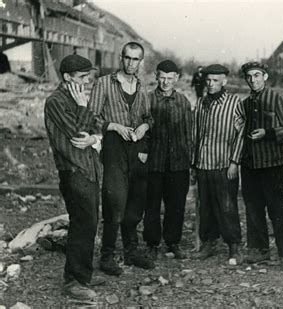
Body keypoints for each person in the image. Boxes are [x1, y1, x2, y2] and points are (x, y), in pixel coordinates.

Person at [89, 41, 155, 275]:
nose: (130, 63)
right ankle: (107, 256)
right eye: (127, 58)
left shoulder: (141, 86)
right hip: (114, 146)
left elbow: (149, 117)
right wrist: (115, 126)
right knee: (115, 199)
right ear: (121, 58)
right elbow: (92, 118)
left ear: (140, 62)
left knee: (136, 201)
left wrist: (144, 127)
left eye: (135, 59)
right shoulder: (104, 83)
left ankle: (131, 251)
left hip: (137, 147)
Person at [44, 55, 104, 299]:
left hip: (89, 169)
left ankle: (84, 275)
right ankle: (73, 282)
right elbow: (78, 136)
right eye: (82, 76)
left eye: (88, 75)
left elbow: (96, 126)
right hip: (74, 171)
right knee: (82, 224)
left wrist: (94, 138)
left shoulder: (75, 97)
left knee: (90, 224)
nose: (87, 80)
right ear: (67, 77)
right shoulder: (56, 101)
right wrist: (83, 110)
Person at [239, 61, 283, 270]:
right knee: (253, 207)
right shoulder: (246, 103)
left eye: (257, 75)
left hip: (272, 163)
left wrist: (268, 133)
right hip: (249, 164)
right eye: (249, 77)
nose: (253, 80)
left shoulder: (277, 98)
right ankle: (259, 250)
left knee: (278, 208)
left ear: (265, 77)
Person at [192, 64, 245, 263]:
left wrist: (234, 162)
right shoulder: (200, 103)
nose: (211, 84)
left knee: (227, 206)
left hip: (224, 164)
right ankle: (209, 243)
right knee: (206, 205)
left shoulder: (234, 103)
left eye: (215, 80)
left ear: (224, 81)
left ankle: (234, 246)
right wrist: (193, 164)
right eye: (208, 80)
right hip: (204, 163)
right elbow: (195, 135)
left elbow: (241, 134)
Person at [143, 60, 192, 259]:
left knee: (176, 205)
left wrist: (190, 160)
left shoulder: (183, 102)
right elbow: (142, 132)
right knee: (152, 205)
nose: (165, 82)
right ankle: (152, 244)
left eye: (170, 79)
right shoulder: (146, 100)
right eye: (162, 77)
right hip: (154, 163)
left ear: (176, 79)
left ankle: (173, 242)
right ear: (156, 76)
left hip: (178, 164)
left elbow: (189, 134)